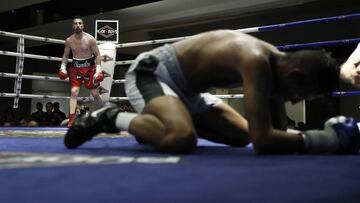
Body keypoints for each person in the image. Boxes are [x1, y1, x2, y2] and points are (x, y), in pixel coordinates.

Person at [64, 30, 360, 154]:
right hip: (153, 72)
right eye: (300, 94)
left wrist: (294, 138)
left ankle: (157, 124)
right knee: (182, 138)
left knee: (240, 135)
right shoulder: (257, 61)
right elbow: (265, 141)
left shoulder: (278, 66)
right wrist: (330, 140)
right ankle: (111, 117)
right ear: (294, 75)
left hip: (188, 90)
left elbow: (273, 132)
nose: (295, 100)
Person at [58, 16, 104, 127]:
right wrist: (62, 67)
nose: (78, 25)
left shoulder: (90, 39)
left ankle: (102, 113)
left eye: (80, 23)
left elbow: (97, 55)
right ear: (73, 26)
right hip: (76, 68)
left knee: (94, 93)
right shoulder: (69, 40)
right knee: (74, 92)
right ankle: (72, 118)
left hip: (89, 68)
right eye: (75, 23)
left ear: (83, 25)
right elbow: (65, 55)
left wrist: (98, 70)